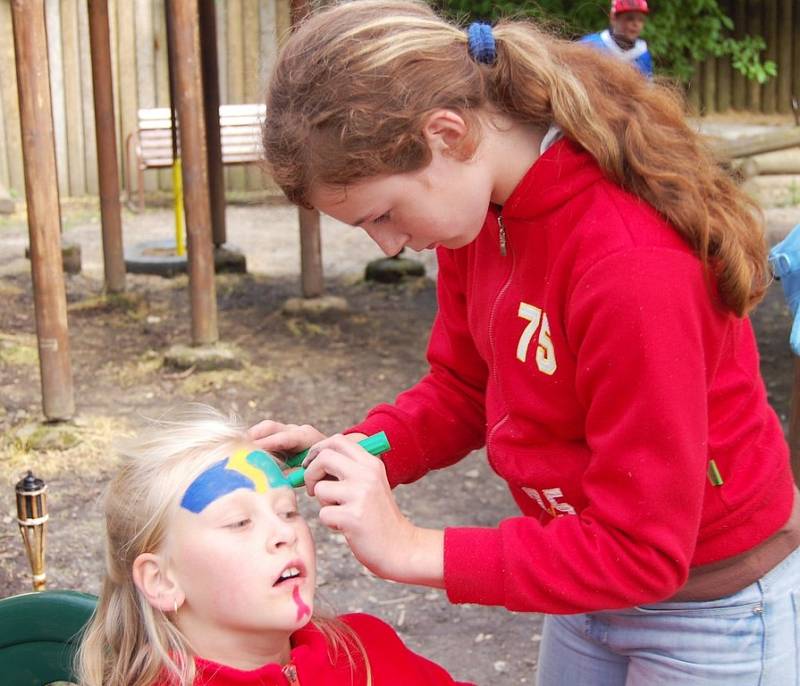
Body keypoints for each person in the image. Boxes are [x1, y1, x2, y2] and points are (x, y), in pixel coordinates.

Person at [251, 1, 800, 684]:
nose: (390, 243)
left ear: (447, 133)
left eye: (385, 214)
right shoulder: (481, 211)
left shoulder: (629, 265)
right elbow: (464, 387)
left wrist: (414, 549)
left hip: (708, 608)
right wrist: (355, 453)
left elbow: (644, 549)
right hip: (583, 579)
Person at [76, 405, 474, 686]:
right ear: (161, 580)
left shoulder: (366, 650)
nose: (286, 534)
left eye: (287, 511)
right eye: (239, 521)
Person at [580, 0, 653, 78]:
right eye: (630, 18)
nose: (636, 24)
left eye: (641, 20)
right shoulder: (591, 45)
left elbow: (646, 87)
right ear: (613, 18)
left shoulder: (643, 54)